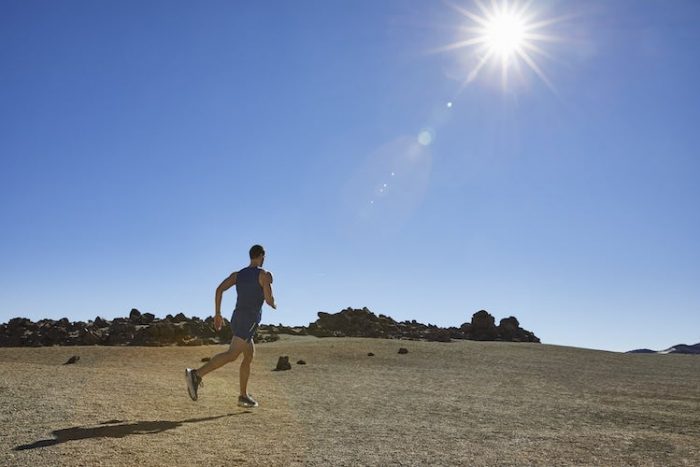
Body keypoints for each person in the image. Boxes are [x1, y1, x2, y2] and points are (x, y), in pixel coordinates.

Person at [185, 244, 276, 408]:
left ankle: (243, 396)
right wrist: (271, 286)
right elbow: (269, 300)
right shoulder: (263, 274)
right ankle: (196, 375)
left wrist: (218, 313)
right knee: (232, 354)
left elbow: (219, 289)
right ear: (261, 256)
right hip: (248, 320)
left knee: (248, 355)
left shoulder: (238, 275)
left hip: (237, 318)